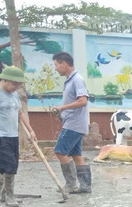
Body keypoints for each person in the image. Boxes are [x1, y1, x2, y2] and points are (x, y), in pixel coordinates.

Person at [0, 66, 37, 207]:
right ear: (6, 80)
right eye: (15, 84)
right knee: (9, 165)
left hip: (12, 135)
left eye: (19, 85)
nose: (16, 87)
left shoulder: (14, 94)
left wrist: (31, 130)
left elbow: (20, 113)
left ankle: (4, 195)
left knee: (10, 165)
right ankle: (10, 196)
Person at [51, 51, 91, 194]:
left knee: (59, 151)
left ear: (64, 64)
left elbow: (83, 101)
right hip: (73, 122)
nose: (55, 68)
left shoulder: (77, 80)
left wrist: (62, 107)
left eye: (56, 65)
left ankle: (71, 184)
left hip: (74, 124)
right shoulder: (70, 80)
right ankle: (85, 187)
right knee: (76, 155)